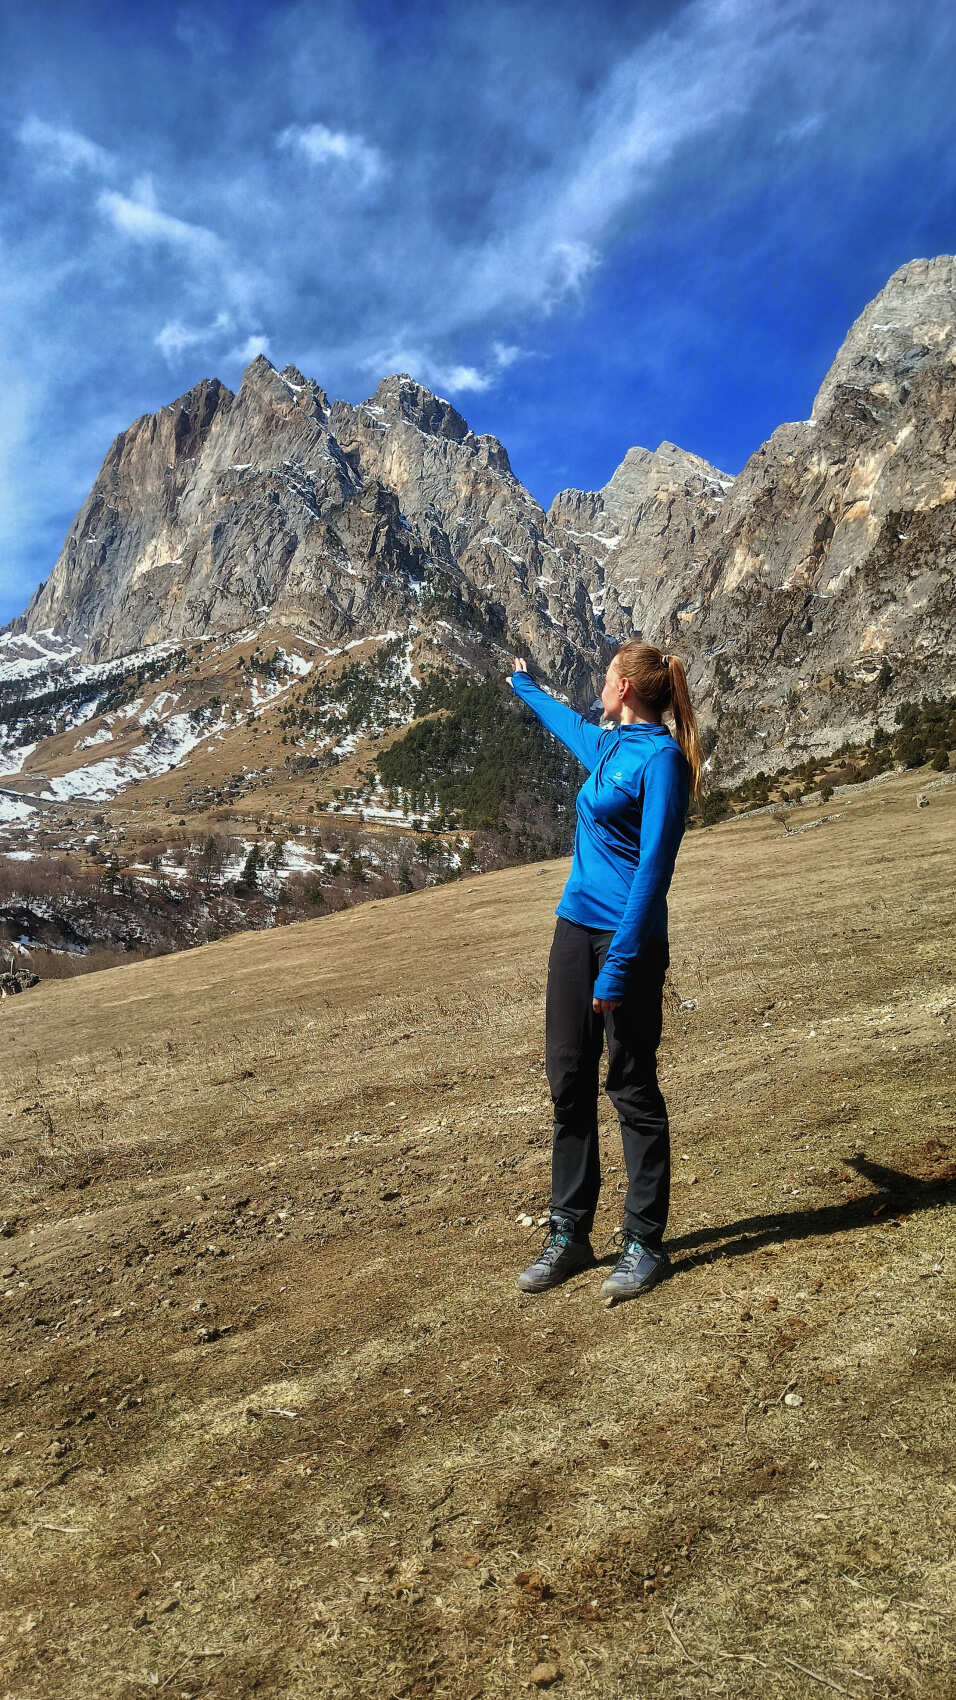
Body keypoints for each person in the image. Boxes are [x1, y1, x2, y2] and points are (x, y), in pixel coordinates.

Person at [509, 642, 702, 1301]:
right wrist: (521, 685)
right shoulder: (610, 747)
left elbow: (653, 873)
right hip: (573, 930)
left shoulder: (663, 763)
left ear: (623, 689)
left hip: (628, 940)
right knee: (568, 1082)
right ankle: (569, 1233)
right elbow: (569, 724)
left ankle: (645, 1242)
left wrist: (617, 967)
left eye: (607, 678)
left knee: (631, 1086)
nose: (600, 685)